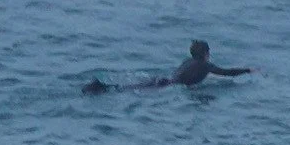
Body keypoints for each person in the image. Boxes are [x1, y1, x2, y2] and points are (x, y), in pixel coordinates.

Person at [84, 39, 254, 93]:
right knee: (128, 90)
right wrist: (247, 70)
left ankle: (102, 87)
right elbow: (227, 73)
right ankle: (102, 88)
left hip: (164, 80)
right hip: (169, 85)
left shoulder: (187, 62)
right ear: (206, 54)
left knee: (128, 88)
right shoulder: (205, 66)